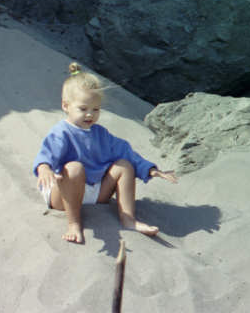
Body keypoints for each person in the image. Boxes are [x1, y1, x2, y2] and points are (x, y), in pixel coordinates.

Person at [33, 62, 177, 244]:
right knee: (74, 168)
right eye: (83, 109)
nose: (89, 115)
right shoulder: (61, 132)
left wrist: (150, 170)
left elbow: (126, 151)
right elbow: (48, 152)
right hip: (64, 194)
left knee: (124, 165)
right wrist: (44, 168)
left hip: (95, 191)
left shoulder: (101, 134)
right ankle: (74, 224)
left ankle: (128, 219)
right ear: (65, 105)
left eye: (95, 109)